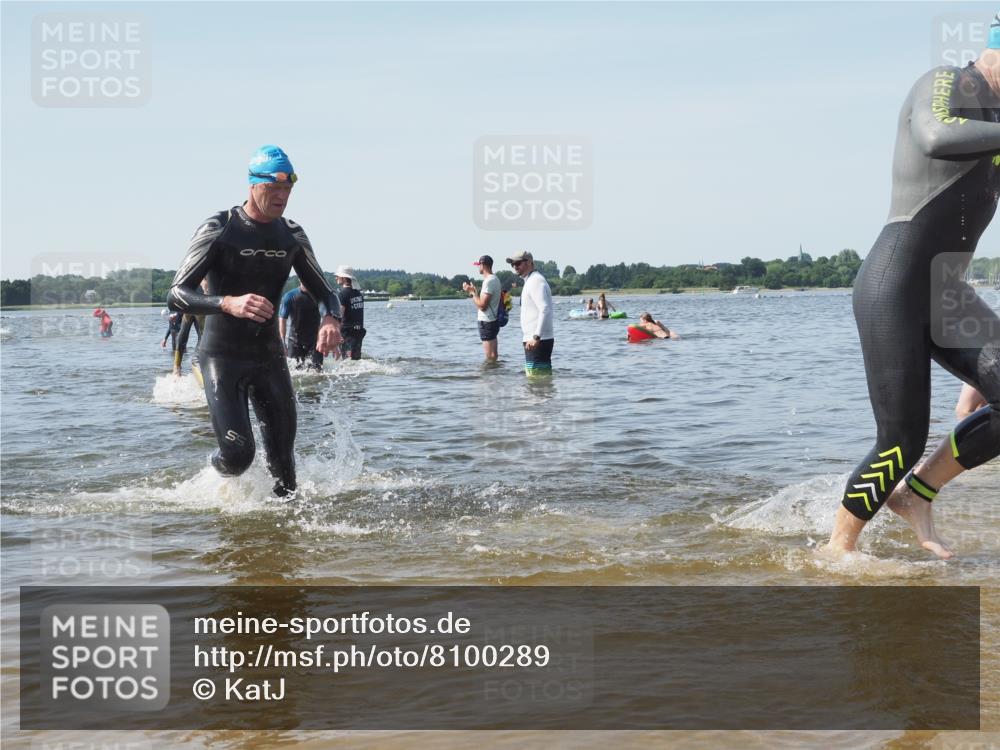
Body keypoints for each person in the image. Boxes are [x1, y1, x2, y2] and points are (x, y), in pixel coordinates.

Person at [827, 29, 1000, 558]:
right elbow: (934, 136)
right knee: (900, 440)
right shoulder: (949, 82)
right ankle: (837, 549)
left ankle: (917, 494)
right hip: (893, 285)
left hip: (947, 294)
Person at [167, 144, 343, 497]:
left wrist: (331, 319)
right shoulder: (220, 227)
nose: (282, 196)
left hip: (268, 358)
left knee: (284, 472)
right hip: (221, 357)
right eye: (273, 188)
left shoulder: (291, 234)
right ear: (252, 185)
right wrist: (227, 303)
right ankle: (209, 484)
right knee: (238, 455)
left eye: (288, 189)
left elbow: (325, 290)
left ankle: (285, 544)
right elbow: (177, 293)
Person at [507, 250, 553, 375]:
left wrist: (536, 337)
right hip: (534, 340)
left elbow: (545, 309)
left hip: (538, 340)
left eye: (518, 263)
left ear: (529, 262)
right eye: (513, 264)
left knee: (537, 379)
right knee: (537, 379)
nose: (515, 267)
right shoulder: (530, 280)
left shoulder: (535, 281)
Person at [462, 254, 501, 362]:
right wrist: (475, 292)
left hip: (487, 321)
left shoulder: (489, 281)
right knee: (494, 355)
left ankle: (488, 378)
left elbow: (482, 305)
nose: (478, 267)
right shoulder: (495, 279)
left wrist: (472, 293)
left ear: (483, 265)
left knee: (490, 357)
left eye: (479, 265)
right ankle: (496, 376)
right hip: (493, 320)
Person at [279, 283, 324, 371]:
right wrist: (282, 341)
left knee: (317, 373)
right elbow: (282, 319)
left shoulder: (319, 296)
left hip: (315, 342)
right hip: (295, 342)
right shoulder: (290, 296)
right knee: (295, 373)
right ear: (300, 279)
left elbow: (328, 318)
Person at [333, 265, 366, 360]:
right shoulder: (358, 294)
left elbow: (340, 315)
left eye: (337, 276)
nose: (336, 278)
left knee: (348, 362)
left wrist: (337, 334)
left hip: (347, 334)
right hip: (358, 332)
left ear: (343, 278)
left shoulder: (342, 294)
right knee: (356, 360)